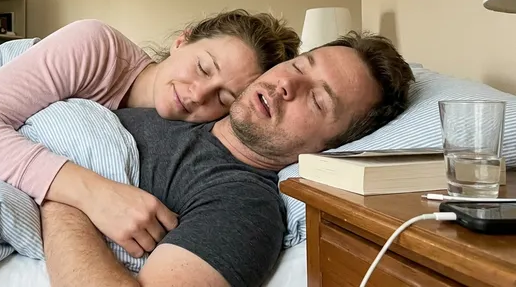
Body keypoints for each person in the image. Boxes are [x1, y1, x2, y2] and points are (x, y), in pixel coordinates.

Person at [39, 31, 415, 287]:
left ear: (329, 146)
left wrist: (61, 193)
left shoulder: (244, 206)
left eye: (318, 101)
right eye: (301, 66)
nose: (289, 85)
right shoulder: (185, 104)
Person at [0, 9, 301, 255]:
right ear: (182, 41)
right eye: (203, 68)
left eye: (224, 96)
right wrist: (95, 195)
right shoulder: (94, 46)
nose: (197, 94)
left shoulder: (194, 138)